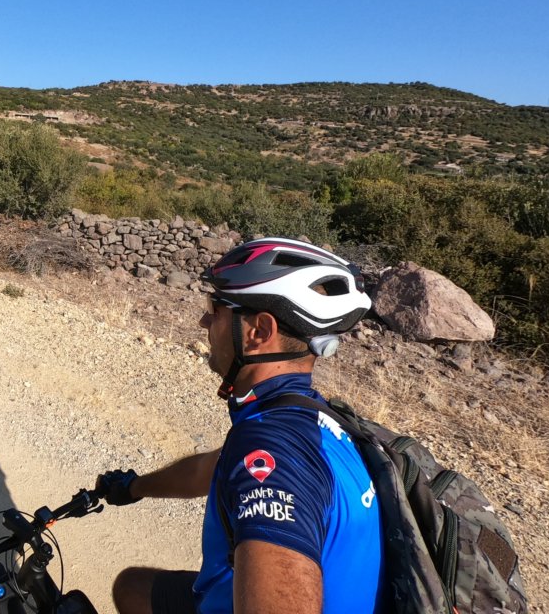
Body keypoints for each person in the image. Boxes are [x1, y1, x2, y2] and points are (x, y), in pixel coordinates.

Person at [98, 237, 383, 614]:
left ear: (259, 331)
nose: (203, 321)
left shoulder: (274, 448)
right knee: (133, 588)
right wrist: (134, 487)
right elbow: (207, 470)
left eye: (215, 308)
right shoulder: (312, 418)